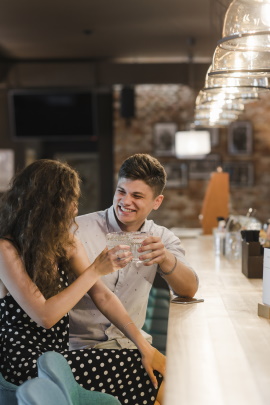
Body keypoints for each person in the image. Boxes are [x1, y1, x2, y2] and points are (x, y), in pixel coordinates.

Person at [0, 159, 165, 405]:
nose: (75, 209)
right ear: (48, 204)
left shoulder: (64, 241)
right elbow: (45, 316)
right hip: (25, 365)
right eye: (70, 201)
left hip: (58, 359)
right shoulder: (6, 249)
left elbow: (103, 296)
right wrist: (95, 270)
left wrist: (143, 345)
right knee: (145, 373)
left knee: (155, 365)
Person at [69, 153, 199, 351]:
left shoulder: (161, 238)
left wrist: (165, 259)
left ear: (157, 202)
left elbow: (189, 289)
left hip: (131, 346)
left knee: (177, 376)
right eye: (121, 191)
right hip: (80, 347)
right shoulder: (76, 230)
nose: (126, 201)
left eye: (137, 196)